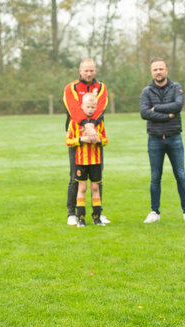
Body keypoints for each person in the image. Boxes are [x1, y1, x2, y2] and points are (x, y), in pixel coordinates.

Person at [139, 58, 185, 223]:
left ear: (166, 70)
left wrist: (156, 108)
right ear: (152, 72)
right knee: (155, 177)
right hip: (155, 139)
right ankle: (154, 212)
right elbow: (144, 113)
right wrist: (167, 115)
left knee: (180, 175)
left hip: (174, 138)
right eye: (155, 69)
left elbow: (177, 106)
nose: (158, 72)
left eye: (161, 68)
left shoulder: (176, 87)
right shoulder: (147, 91)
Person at [63, 58, 110, 226]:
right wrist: (86, 126)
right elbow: (74, 107)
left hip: (96, 136)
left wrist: (93, 127)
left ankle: (98, 213)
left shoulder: (101, 87)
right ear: (80, 70)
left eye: (91, 70)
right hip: (78, 135)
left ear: (95, 71)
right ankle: (72, 213)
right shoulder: (71, 87)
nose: (89, 73)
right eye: (86, 70)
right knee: (75, 176)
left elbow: (100, 107)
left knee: (97, 179)